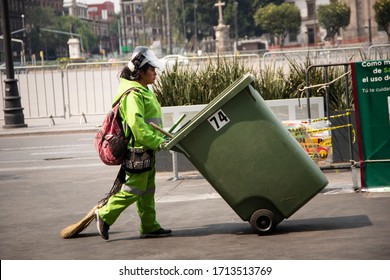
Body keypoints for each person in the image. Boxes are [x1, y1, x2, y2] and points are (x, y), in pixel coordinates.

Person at [95, 46, 171, 240]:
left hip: (148, 148)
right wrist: (159, 142)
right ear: (141, 71)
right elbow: (137, 126)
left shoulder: (142, 89)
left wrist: (159, 140)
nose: (155, 73)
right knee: (134, 190)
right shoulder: (133, 94)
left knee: (147, 191)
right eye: (152, 69)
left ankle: (149, 225)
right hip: (139, 150)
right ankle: (104, 215)